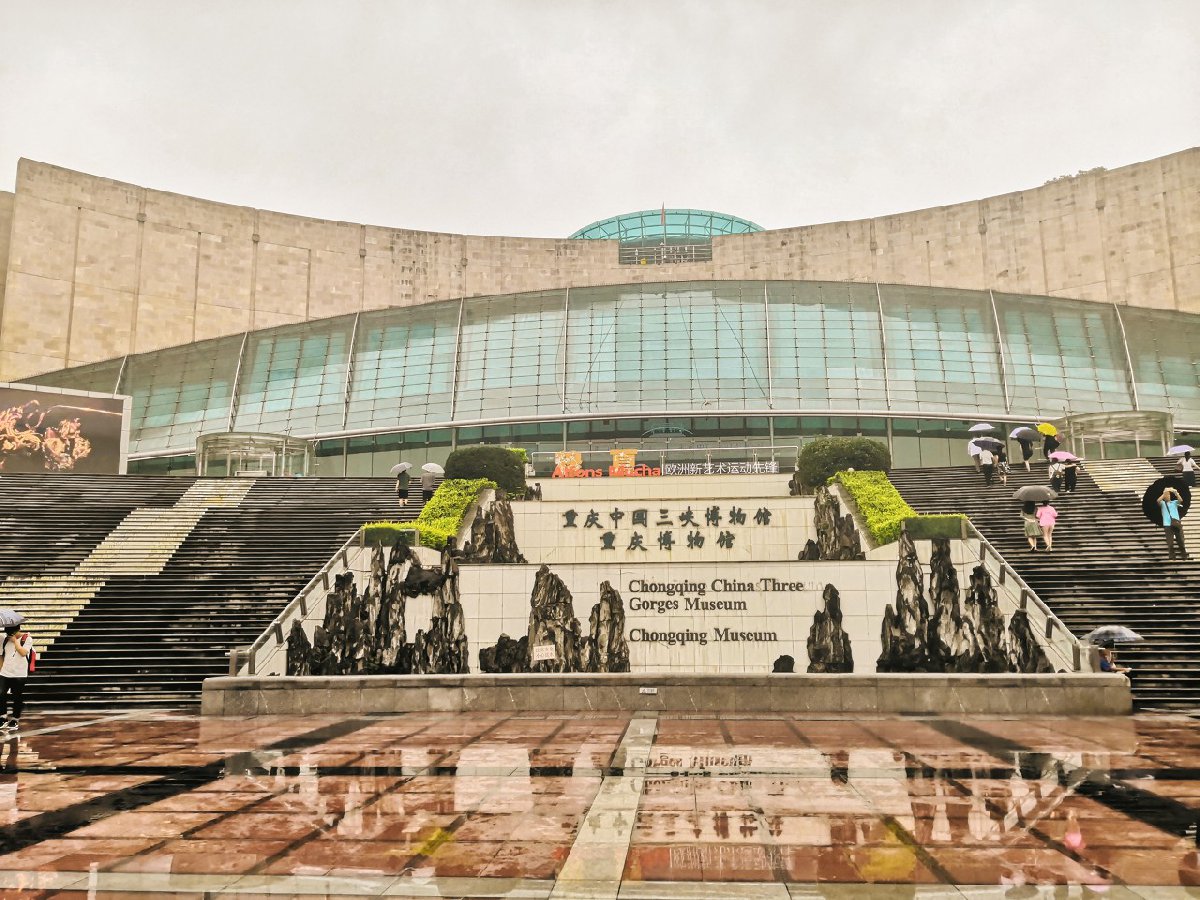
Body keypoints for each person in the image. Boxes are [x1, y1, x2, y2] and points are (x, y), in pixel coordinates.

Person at [0, 627, 33, 733]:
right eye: (7, 633)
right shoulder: (5, 640)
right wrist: (1, 669)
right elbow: (1, 656)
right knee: (1, 694)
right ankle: (3, 717)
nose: (9, 634)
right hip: (5, 672)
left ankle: (15, 719)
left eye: (11, 632)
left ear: (17, 630)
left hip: (20, 674)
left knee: (17, 696)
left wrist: (15, 641)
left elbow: (23, 653)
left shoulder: (27, 638)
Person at [1159, 487, 1190, 561]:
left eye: (1169, 495)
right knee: (1170, 542)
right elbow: (1158, 500)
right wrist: (1164, 493)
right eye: (1167, 495)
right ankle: (1172, 556)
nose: (1168, 496)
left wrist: (1175, 492)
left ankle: (1184, 555)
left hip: (1176, 523)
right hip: (1167, 525)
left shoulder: (1174, 502)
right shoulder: (1162, 503)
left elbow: (1180, 500)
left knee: (1181, 540)